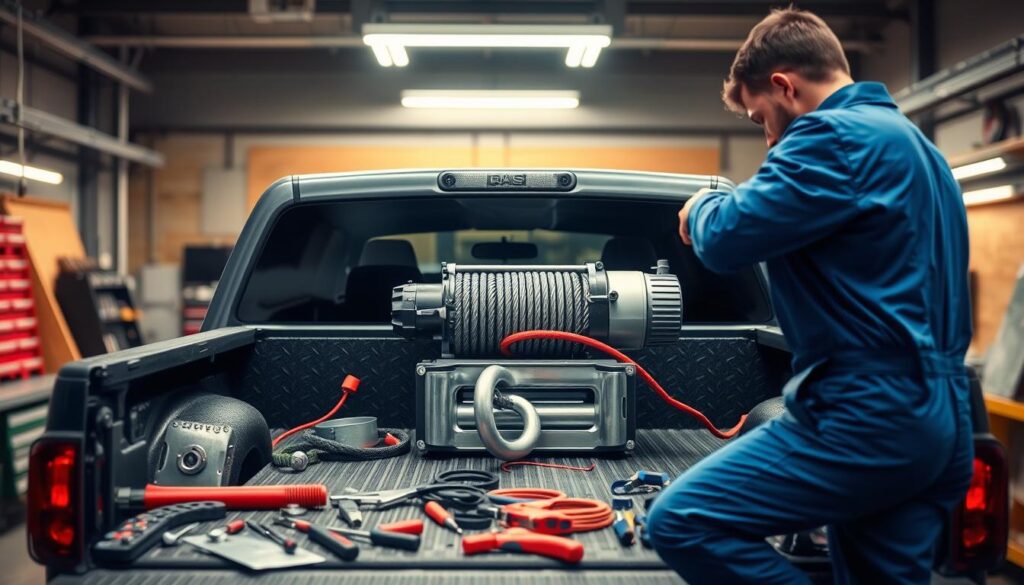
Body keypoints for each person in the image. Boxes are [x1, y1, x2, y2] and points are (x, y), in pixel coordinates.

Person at [646, 7, 974, 584]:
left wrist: (700, 207)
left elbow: (724, 241)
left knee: (682, 520)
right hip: (939, 419)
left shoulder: (832, 136)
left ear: (784, 85)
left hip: (866, 416)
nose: (770, 136)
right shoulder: (924, 152)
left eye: (760, 118)